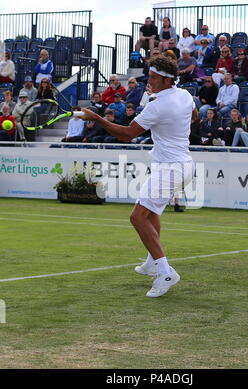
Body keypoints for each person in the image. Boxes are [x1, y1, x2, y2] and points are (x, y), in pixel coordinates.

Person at [80, 55, 198, 298]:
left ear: (166, 80)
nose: (149, 82)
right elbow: (194, 117)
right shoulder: (185, 95)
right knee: (151, 213)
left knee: (137, 217)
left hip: (170, 168)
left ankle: (165, 271)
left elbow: (126, 134)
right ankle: (151, 262)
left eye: (153, 78)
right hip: (184, 164)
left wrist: (96, 118)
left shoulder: (157, 105)